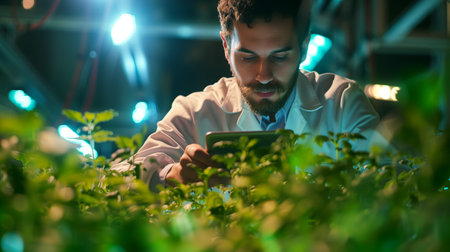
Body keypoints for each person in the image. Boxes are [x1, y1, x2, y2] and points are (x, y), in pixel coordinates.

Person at [112, 0, 387, 192]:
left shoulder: (340, 103)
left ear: (304, 47)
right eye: (247, 56)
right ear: (225, 46)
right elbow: (116, 181)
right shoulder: (194, 112)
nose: (263, 74)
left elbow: (397, 179)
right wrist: (171, 176)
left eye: (280, 56)